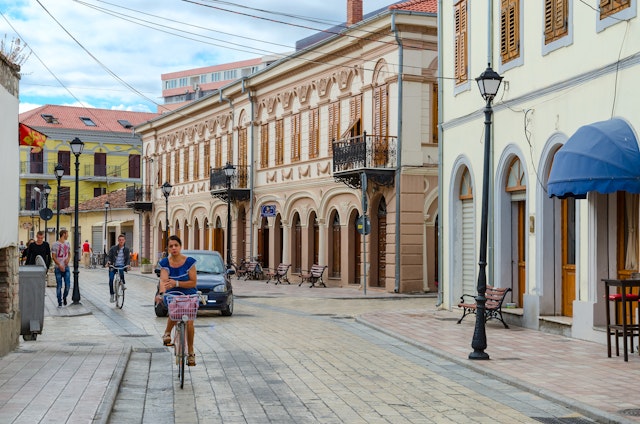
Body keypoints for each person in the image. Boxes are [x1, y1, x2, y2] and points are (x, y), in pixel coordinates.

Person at [158, 235, 198, 366]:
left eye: (176, 245)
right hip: (173, 294)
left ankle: (191, 351)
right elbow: (163, 280)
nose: (174, 248)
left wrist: (176, 283)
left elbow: (193, 283)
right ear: (168, 249)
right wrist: (161, 293)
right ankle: (167, 332)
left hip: (189, 294)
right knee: (174, 310)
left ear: (180, 247)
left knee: (190, 321)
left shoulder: (189, 262)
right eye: (171, 246)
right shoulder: (165, 263)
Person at [106, 234, 130, 303]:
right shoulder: (113, 248)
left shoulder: (127, 249)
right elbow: (108, 256)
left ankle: (123, 284)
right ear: (118, 240)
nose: (121, 241)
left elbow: (128, 258)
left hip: (121, 266)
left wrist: (128, 265)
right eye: (120, 240)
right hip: (113, 266)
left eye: (122, 240)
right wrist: (108, 262)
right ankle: (112, 294)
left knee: (121, 270)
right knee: (111, 279)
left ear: (124, 240)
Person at [51, 230, 71, 307]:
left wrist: (68, 259)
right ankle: (59, 301)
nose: (68, 235)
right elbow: (53, 256)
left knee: (68, 285)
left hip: (66, 267)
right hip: (58, 268)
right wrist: (59, 265)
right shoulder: (55, 244)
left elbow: (69, 254)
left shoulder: (67, 243)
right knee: (59, 285)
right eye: (67, 234)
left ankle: (65, 297)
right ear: (63, 234)